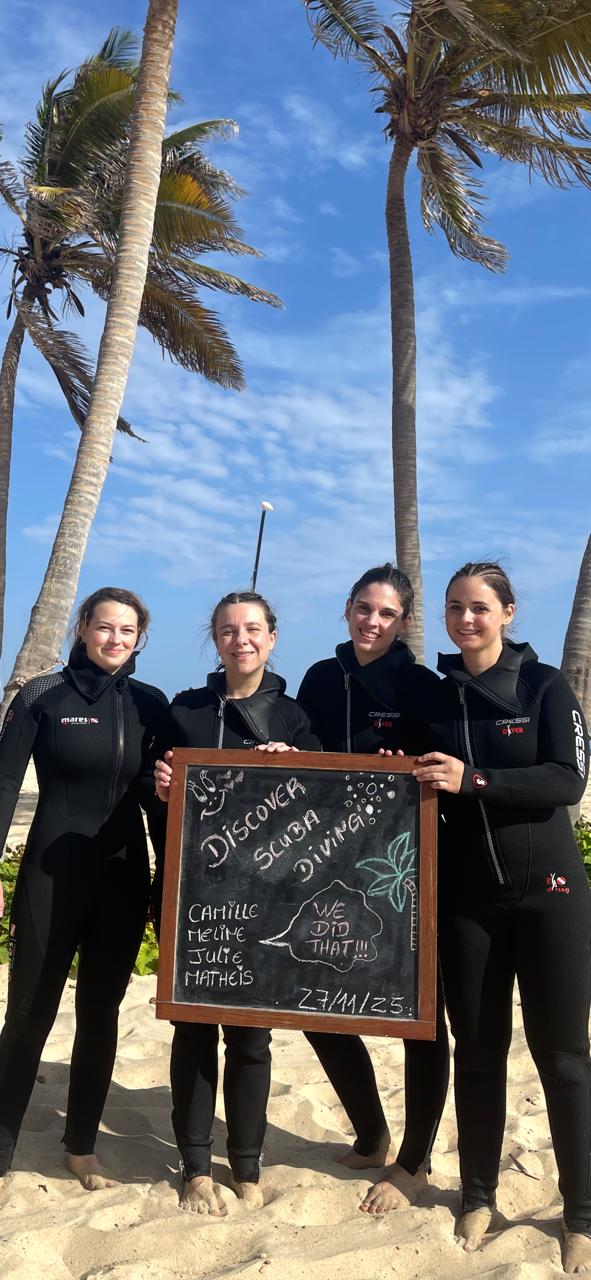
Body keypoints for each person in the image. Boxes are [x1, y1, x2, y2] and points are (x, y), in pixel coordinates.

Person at [413, 562, 591, 1273]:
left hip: (550, 895)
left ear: (507, 613)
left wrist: (475, 779)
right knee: (479, 1053)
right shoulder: (434, 697)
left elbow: (567, 778)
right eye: (455, 607)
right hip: (470, 904)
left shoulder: (544, 686)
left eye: (479, 607)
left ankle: (580, 1215)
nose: (465, 618)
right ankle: (478, 1196)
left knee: (564, 1058)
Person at [153, 589, 319, 1217]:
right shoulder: (186, 710)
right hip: (193, 894)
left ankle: (247, 1165)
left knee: (251, 1038)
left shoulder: (295, 716)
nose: (240, 640)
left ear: (272, 638)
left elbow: (328, 806)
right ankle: (196, 1166)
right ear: (214, 639)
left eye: (252, 629)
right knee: (194, 1031)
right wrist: (161, 784)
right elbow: (150, 783)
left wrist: (299, 766)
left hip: (267, 901)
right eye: (227, 630)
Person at [0, 587, 168, 1189]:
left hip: (122, 877)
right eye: (105, 627)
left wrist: (171, 881)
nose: (115, 639)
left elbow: (158, 800)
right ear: (82, 628)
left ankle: (80, 1147)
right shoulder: (42, 696)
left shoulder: (150, 704)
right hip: (52, 877)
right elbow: (4, 785)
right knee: (29, 1012)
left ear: (139, 638)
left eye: (128, 631)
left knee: (101, 1013)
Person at [297, 563, 450, 1214]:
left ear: (403, 622)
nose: (372, 621)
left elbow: (443, 765)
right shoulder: (318, 678)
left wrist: (406, 767)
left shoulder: (420, 685)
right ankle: (370, 1134)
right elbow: (302, 758)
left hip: (404, 866)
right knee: (315, 1001)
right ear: (347, 608)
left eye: (387, 613)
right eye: (364, 608)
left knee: (421, 1016)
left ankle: (412, 1159)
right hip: (329, 863)